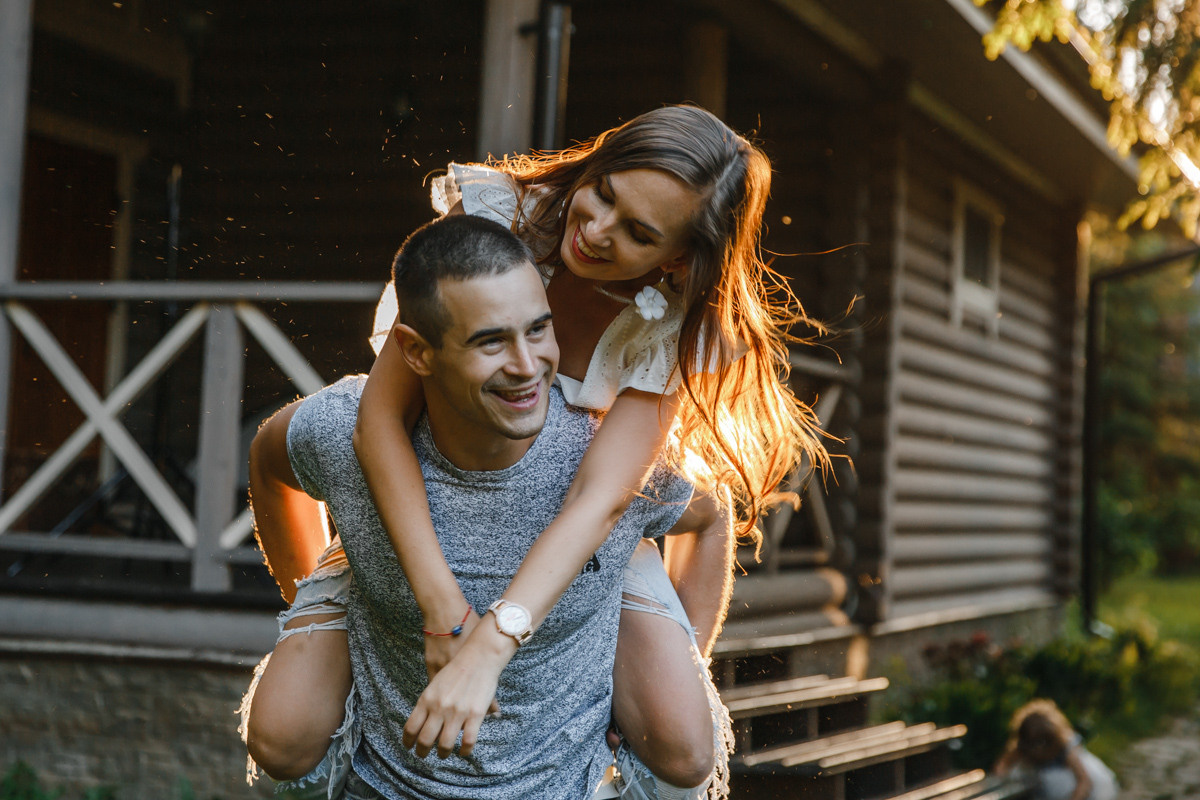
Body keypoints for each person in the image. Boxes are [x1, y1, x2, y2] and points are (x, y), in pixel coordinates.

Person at [246, 105, 827, 799]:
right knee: (285, 732)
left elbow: (601, 496)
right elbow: (379, 422)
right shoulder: (503, 217)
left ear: (676, 260)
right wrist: (434, 606)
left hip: (580, 509)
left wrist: (500, 645)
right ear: (597, 162)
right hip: (438, 466)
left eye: (638, 232)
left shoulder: (675, 326)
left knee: (679, 741)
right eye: (604, 192)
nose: (596, 229)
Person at [247, 214, 729, 799]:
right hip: (388, 780)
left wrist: (679, 654)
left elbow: (711, 516)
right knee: (278, 741)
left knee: (685, 752)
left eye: (537, 330)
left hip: (560, 781)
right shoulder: (342, 430)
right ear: (417, 352)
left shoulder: (607, 456)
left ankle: (624, 567)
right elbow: (271, 464)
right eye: (491, 340)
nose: (528, 367)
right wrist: (321, 601)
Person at [994, 699, 1119, 800]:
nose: (1038, 749)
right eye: (1034, 744)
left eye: (1043, 743)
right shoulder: (1023, 747)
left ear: (1052, 738)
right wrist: (1005, 777)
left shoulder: (1065, 747)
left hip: (1093, 793)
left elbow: (1085, 781)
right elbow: (1002, 765)